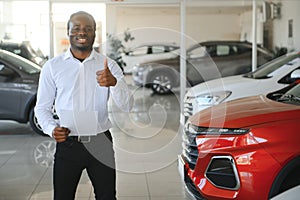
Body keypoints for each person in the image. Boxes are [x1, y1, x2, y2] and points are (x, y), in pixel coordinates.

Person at [34, 11, 133, 200]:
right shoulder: (53, 67)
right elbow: (42, 107)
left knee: (107, 197)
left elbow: (127, 106)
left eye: (88, 29)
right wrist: (51, 128)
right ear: (68, 32)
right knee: (62, 196)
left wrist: (115, 83)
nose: (82, 32)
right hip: (68, 143)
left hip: (100, 142)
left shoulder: (109, 65)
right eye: (77, 28)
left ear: (94, 33)